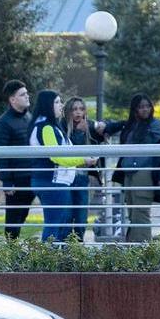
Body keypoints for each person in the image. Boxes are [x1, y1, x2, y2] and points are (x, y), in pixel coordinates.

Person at [101, 93, 160, 242]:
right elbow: (117, 125)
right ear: (135, 110)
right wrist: (107, 129)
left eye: (147, 106)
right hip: (129, 174)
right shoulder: (131, 125)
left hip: (143, 173)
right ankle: (133, 251)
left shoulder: (155, 125)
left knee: (140, 213)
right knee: (132, 214)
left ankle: (143, 253)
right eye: (141, 107)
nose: (145, 109)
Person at [28, 91, 96, 242]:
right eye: (57, 102)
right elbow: (57, 156)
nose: (61, 105)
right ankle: (48, 260)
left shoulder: (51, 126)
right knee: (54, 225)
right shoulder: (46, 127)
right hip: (52, 182)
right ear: (48, 105)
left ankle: (53, 259)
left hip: (56, 182)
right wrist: (83, 160)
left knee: (58, 224)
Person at [0, 80, 34, 239]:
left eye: (27, 93)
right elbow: (0, 153)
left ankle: (13, 249)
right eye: (22, 94)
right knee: (14, 217)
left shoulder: (29, 117)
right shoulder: (3, 123)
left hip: (32, 175)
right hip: (16, 179)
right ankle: (10, 251)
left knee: (23, 214)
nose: (27, 96)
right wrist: (7, 180)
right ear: (12, 99)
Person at [64, 97, 102, 240]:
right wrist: (79, 133)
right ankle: (65, 249)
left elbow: (101, 141)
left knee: (81, 218)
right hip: (66, 178)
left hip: (83, 177)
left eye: (81, 109)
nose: (78, 112)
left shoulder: (90, 126)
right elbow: (70, 152)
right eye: (74, 109)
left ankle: (77, 248)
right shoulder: (61, 127)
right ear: (68, 111)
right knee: (66, 215)